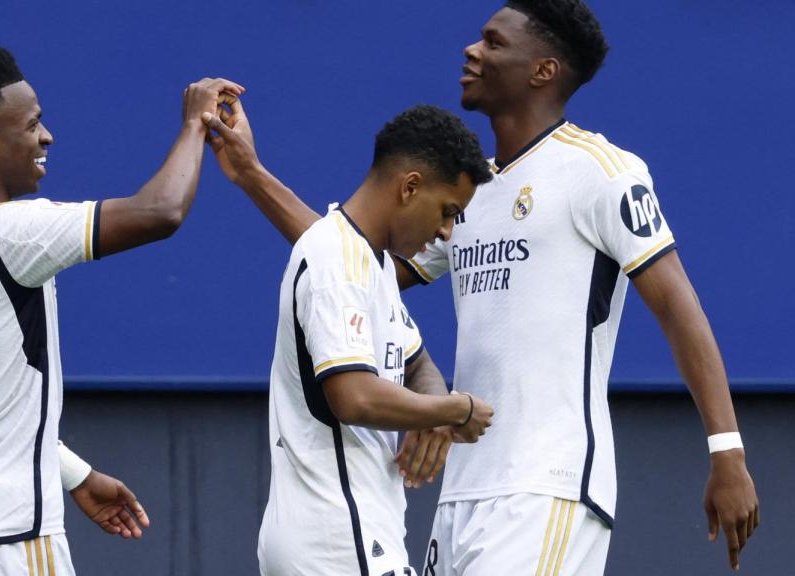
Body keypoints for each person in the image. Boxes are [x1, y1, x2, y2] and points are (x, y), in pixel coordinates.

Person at [201, 0, 759, 572]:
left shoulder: (603, 171)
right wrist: (249, 172)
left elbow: (676, 306)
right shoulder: (469, 193)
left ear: (543, 70)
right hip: (461, 492)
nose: (472, 50)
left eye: (493, 42)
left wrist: (727, 451)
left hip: (547, 486)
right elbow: (350, 261)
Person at [0, 44, 242, 574]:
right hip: (2, 534)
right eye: (31, 125)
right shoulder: (6, 230)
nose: (46, 136)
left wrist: (73, 473)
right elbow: (160, 211)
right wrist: (196, 123)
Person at [210, 104, 495, 576]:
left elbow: (416, 361)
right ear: (410, 186)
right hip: (339, 539)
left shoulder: (372, 262)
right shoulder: (335, 258)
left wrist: (432, 406)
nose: (445, 231)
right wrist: (456, 410)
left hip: (347, 534)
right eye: (447, 212)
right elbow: (353, 396)